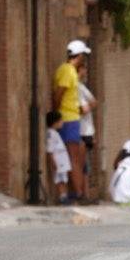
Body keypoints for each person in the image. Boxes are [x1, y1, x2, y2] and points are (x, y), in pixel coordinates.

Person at [52, 40, 91, 204]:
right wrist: (56, 113)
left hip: (71, 118)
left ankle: (77, 190)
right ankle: (77, 192)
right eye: (84, 56)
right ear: (79, 55)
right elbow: (59, 93)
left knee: (77, 153)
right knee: (74, 157)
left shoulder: (69, 71)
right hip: (68, 119)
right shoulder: (68, 71)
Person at [44, 110, 72, 204]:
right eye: (61, 121)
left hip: (63, 161)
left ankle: (65, 195)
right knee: (60, 180)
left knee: (64, 179)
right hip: (59, 161)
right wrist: (54, 162)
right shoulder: (50, 134)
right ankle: (62, 197)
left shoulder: (55, 133)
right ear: (55, 122)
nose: (62, 122)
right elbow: (50, 150)